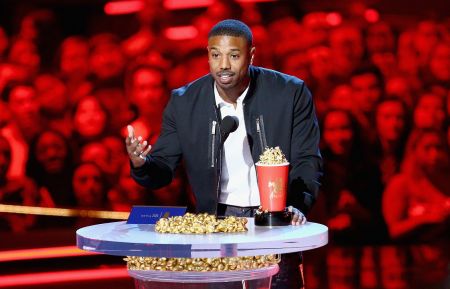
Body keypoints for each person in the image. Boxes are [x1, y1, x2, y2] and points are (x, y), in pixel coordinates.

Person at [126, 19, 322, 288]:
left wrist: (297, 205)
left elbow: (307, 159)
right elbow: (161, 169)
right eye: (216, 55)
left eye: (234, 55)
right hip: (218, 225)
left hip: (275, 222)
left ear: (251, 55)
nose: (224, 65)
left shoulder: (289, 93)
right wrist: (141, 163)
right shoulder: (185, 102)